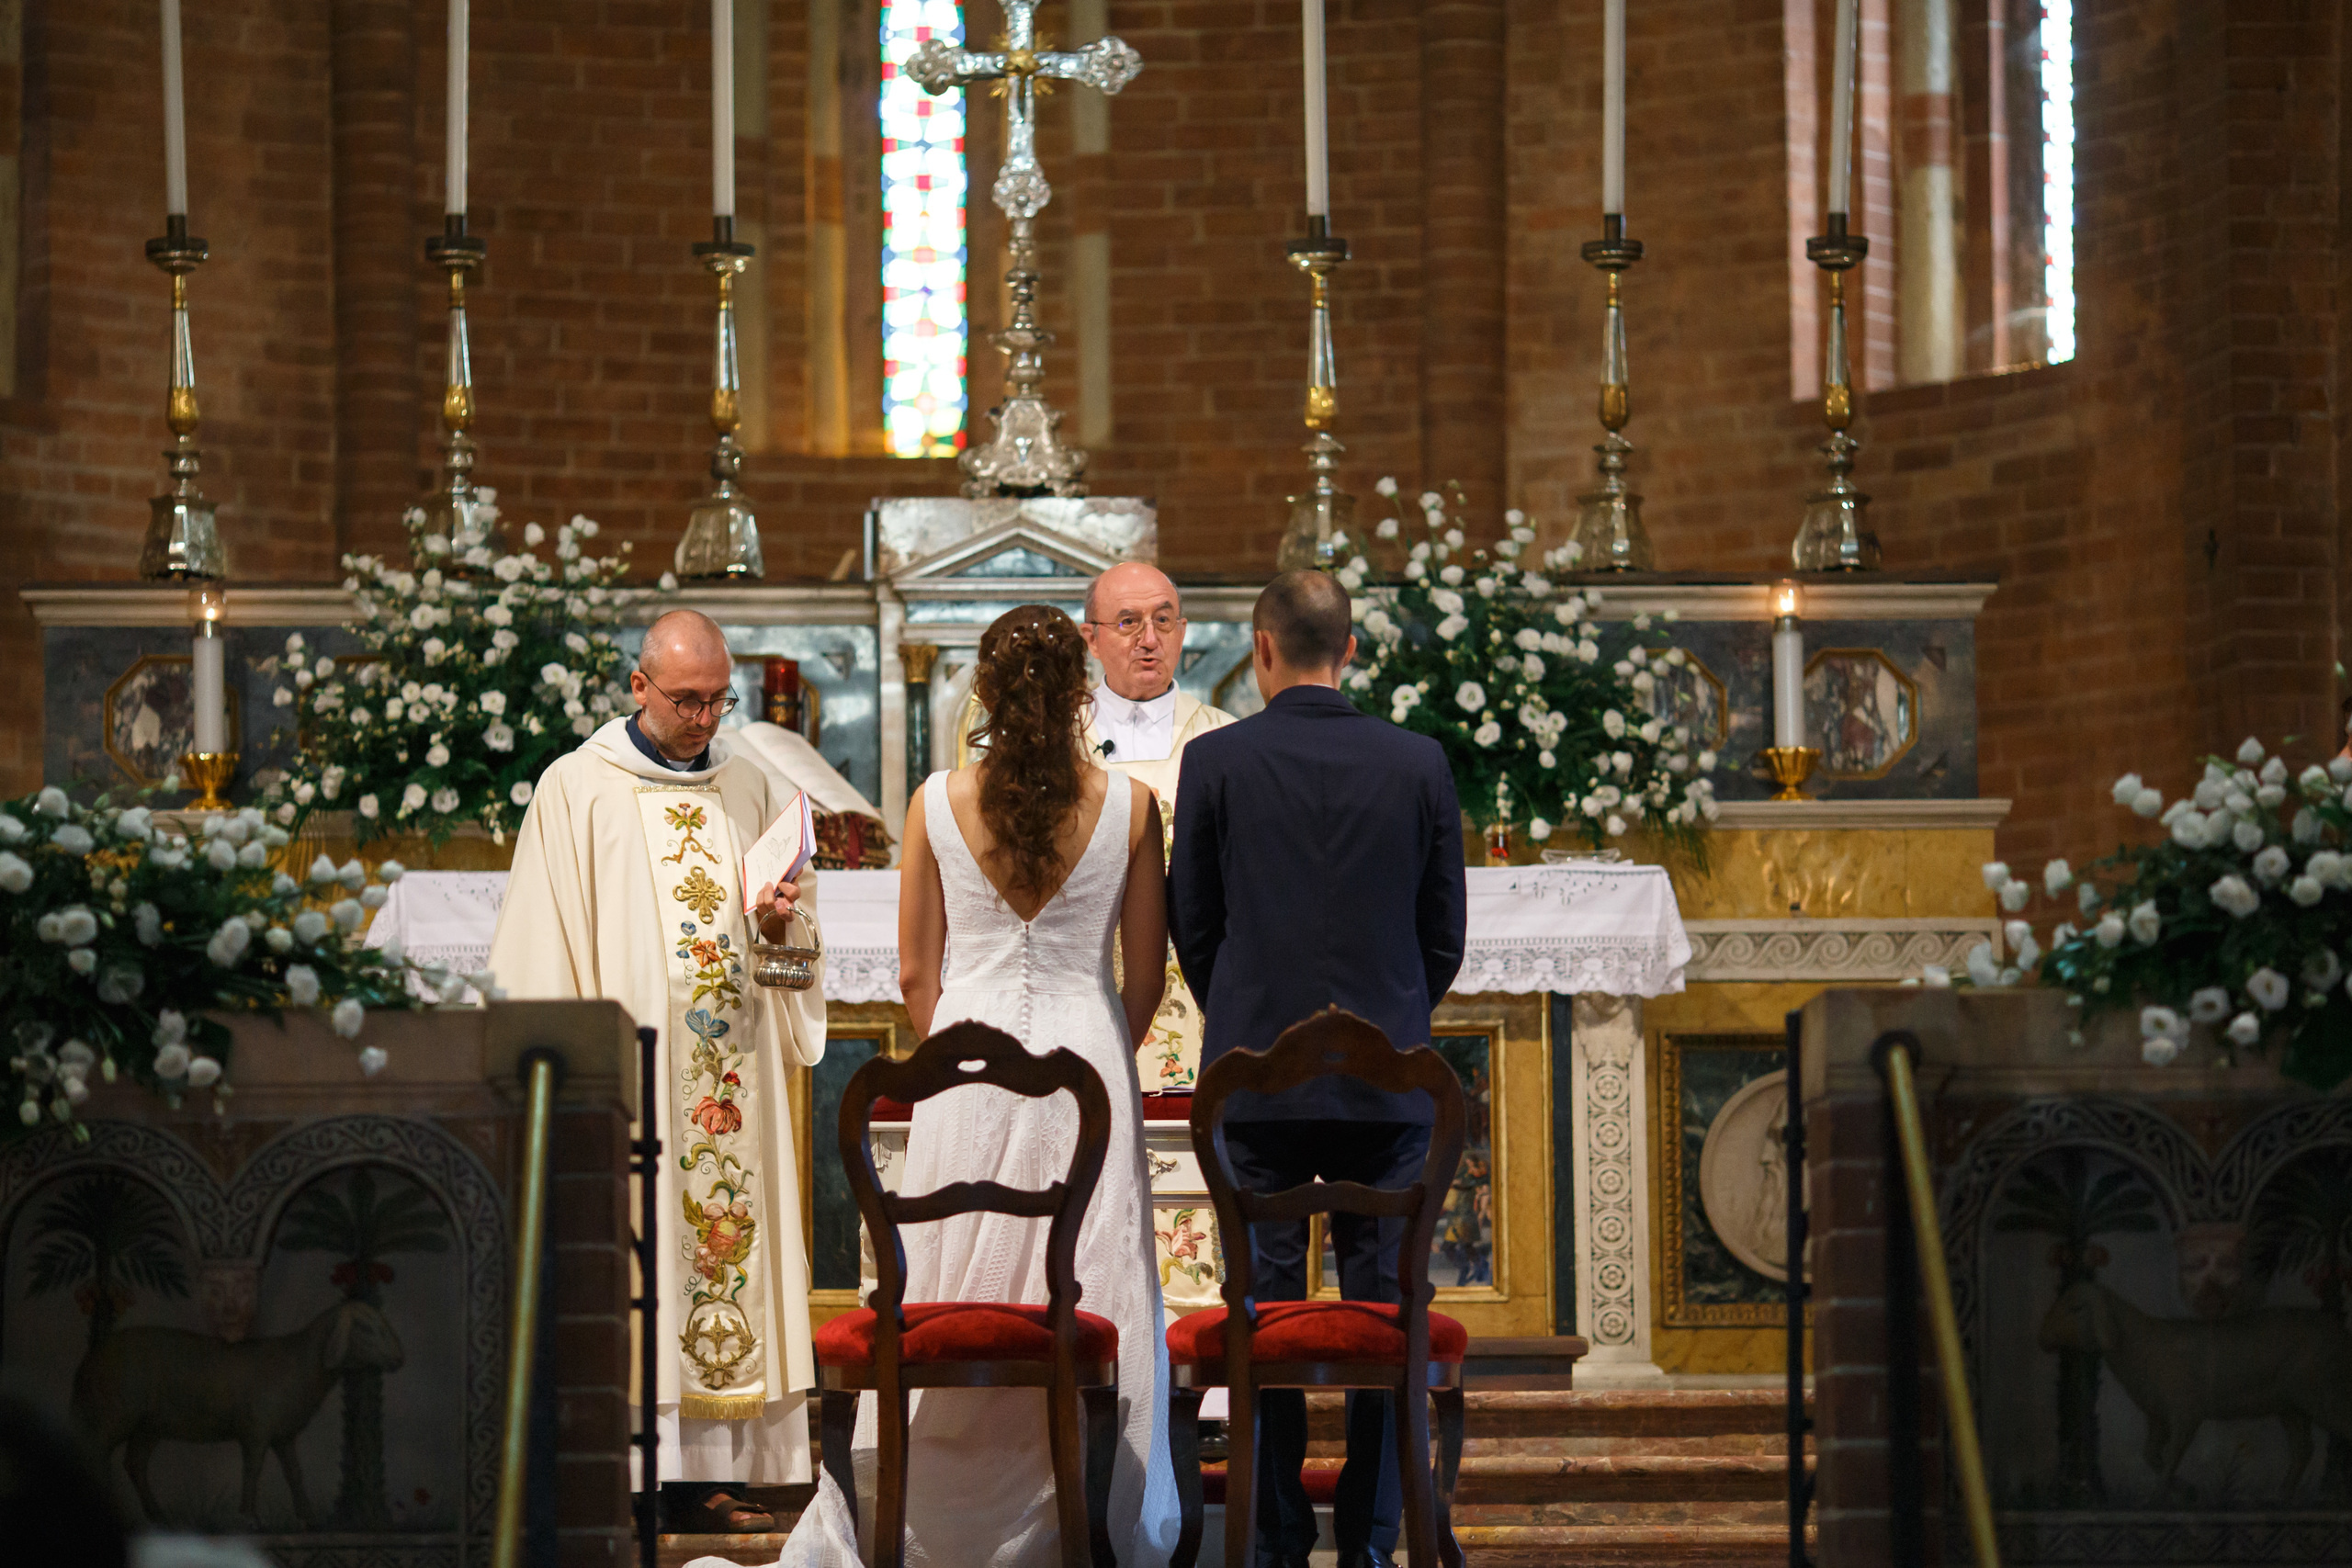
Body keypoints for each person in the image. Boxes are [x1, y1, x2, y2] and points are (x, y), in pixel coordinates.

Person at [772, 604, 1181, 1568]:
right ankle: (1086, 1519)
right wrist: (1096, 1061)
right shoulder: (1128, 806)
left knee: (957, 1285)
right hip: (1090, 1062)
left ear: (983, 697)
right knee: (1087, 1279)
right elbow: (1147, 976)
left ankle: (933, 1517)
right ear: (1084, 691)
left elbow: (919, 975)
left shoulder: (931, 800)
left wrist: (963, 1061)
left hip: (959, 1061)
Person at [488, 608, 826, 1532]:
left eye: (719, 701)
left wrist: (778, 933)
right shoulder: (575, 790)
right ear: (637, 688)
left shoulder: (755, 789)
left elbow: (798, 964)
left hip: (736, 1081)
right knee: (643, 1267)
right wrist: (574, 1086)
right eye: (685, 700)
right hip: (634, 1089)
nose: (704, 720)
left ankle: (717, 1472)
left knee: (724, 1261)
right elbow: (538, 950)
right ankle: (634, 1477)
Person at [1166, 570, 1467, 1568]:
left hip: (1256, 1085)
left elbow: (1194, 922)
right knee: (1387, 1310)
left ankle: (1273, 1540)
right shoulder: (1419, 761)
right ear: (1349, 650)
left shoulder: (1215, 762)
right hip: (1391, 1091)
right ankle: (1376, 1539)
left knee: (1264, 1309)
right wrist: (1381, 1031)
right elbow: (1442, 934)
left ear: (1259, 649)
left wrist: (1255, 1028)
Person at [1078, 561, 1237, 1099]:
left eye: (1164, 621)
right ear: (1091, 639)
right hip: (1086, 995)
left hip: (1204, 1002)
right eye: (1127, 623)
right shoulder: (1055, 747)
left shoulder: (1227, 740)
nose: (1149, 640)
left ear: (1184, 632)